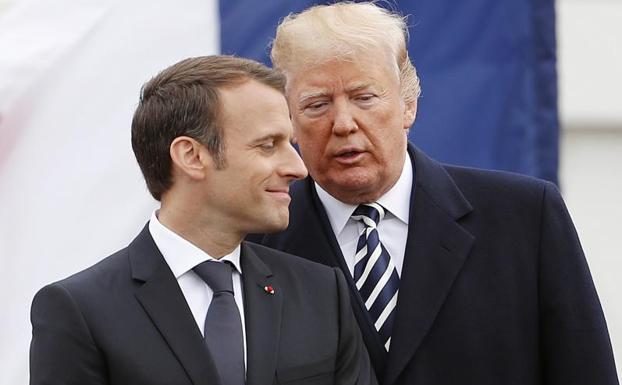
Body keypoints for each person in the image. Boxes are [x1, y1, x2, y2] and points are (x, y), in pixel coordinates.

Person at [250, 3, 619, 385]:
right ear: (289, 120)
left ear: (408, 104)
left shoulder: (525, 218)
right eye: (317, 104)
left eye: (364, 97)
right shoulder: (255, 242)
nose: (343, 124)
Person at [30, 55, 376, 385]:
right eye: (268, 145)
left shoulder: (322, 293)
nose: (298, 168)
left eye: (290, 143)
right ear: (191, 156)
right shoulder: (81, 311)